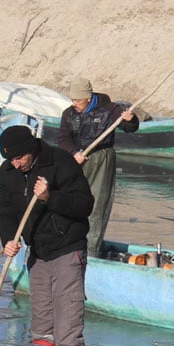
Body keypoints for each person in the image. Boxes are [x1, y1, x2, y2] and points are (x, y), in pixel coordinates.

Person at [0, 125, 97, 346]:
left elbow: (84, 205)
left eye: (19, 158)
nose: (16, 164)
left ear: (32, 149)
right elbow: (5, 211)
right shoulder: (8, 173)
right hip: (37, 254)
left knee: (67, 330)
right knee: (42, 330)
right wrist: (9, 240)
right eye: (11, 159)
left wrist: (49, 197)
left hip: (67, 251)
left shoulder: (60, 163)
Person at [56, 77, 139, 257]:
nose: (74, 103)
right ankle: (68, 243)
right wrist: (73, 153)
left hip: (101, 159)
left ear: (88, 98)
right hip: (77, 158)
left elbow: (130, 128)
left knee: (97, 204)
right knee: (70, 200)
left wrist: (130, 119)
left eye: (78, 100)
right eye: (72, 100)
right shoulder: (68, 114)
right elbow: (63, 138)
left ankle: (91, 250)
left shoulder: (110, 109)